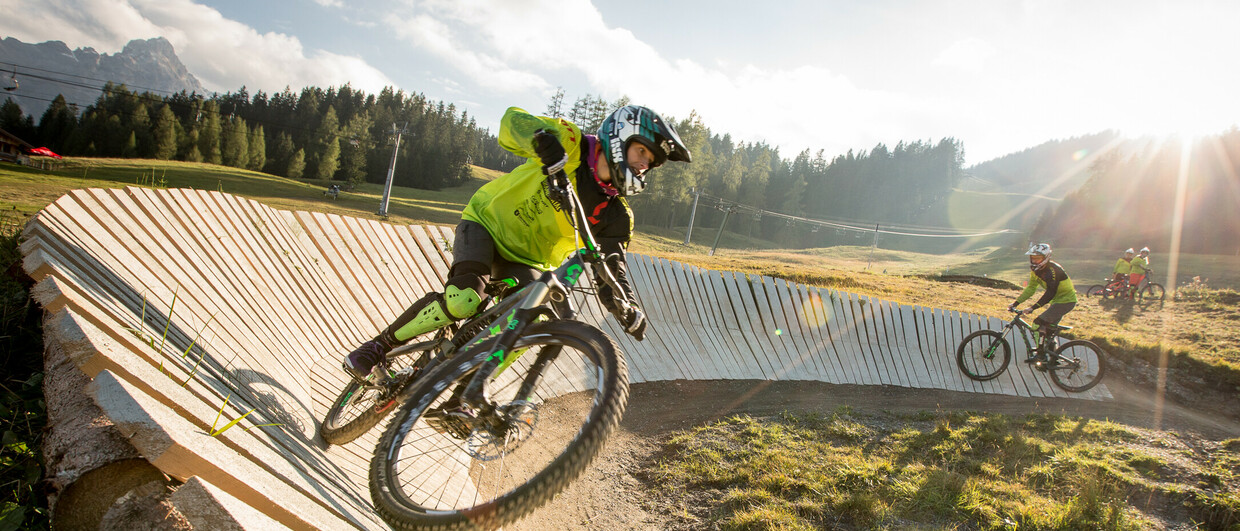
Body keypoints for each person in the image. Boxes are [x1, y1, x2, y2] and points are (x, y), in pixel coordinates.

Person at [342, 105, 692, 380]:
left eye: (651, 162)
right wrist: (542, 137)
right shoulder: (569, 142)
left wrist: (626, 306)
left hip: (527, 264)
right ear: (620, 137)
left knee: (535, 324)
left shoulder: (615, 216)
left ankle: (466, 394)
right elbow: (511, 123)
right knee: (465, 300)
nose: (645, 165)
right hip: (486, 224)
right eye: (643, 153)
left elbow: (611, 268)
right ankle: (377, 347)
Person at [1009, 243, 1077, 361]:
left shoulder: (1053, 271)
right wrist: (1015, 303)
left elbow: (1050, 293)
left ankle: (1040, 355)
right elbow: (1030, 289)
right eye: (1033, 258)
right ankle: (1053, 361)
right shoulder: (1035, 271)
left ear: (1046, 258)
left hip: (1066, 301)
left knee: (1037, 323)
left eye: (1038, 258)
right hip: (1057, 301)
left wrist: (1033, 307)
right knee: (1048, 331)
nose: (1034, 261)